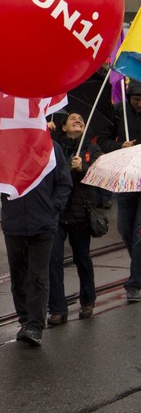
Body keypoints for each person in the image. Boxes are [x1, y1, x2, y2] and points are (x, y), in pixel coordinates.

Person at [1, 142, 72, 346]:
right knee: (18, 277)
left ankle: (35, 325)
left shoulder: (51, 147)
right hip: (14, 223)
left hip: (42, 224)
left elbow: (64, 182)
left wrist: (52, 207)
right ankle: (25, 319)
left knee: (37, 277)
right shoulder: (7, 146)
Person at [48, 113, 101, 324]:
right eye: (73, 119)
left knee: (82, 259)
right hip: (58, 213)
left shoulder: (91, 149)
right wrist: (45, 130)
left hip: (80, 214)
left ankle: (88, 300)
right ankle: (57, 308)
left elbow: (98, 176)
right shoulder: (55, 147)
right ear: (63, 127)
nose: (78, 120)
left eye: (81, 119)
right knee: (53, 261)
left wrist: (83, 168)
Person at [97, 79, 141, 302]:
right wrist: (119, 147)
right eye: (136, 100)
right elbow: (103, 141)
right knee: (125, 229)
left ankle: (134, 283)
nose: (139, 104)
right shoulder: (118, 112)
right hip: (126, 179)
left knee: (139, 235)